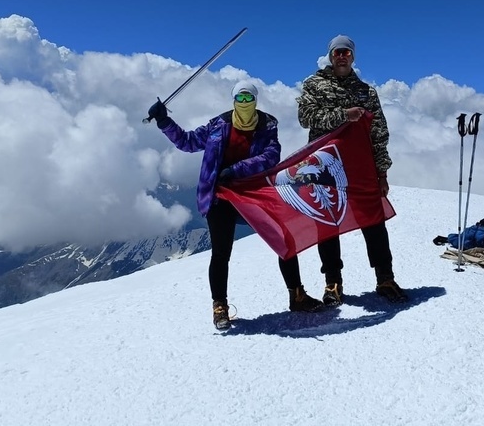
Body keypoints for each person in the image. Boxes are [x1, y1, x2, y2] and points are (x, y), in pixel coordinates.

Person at [148, 81, 323, 331]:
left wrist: (236, 170)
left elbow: (271, 156)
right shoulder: (218, 125)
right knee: (221, 253)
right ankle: (220, 307)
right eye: (240, 98)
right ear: (233, 100)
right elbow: (187, 142)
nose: (244, 103)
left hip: (252, 195)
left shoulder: (267, 125)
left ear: (255, 100)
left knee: (284, 240)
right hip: (220, 196)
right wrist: (164, 122)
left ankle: (297, 296)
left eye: (248, 98)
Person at [296, 35, 408, 306]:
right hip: (324, 166)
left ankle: (385, 277)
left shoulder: (367, 92)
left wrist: (382, 173)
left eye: (346, 52)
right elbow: (305, 118)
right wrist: (343, 115)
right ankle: (333, 282)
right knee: (328, 223)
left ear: (353, 56)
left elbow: (379, 133)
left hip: (360, 165)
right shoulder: (314, 84)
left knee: (373, 219)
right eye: (337, 52)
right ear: (330, 56)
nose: (342, 56)